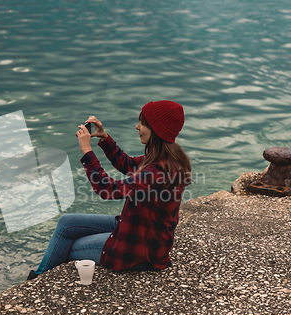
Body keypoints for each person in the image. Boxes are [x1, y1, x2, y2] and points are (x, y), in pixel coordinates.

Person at [27, 100, 191, 280]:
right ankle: (39, 275)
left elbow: (106, 189)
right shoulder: (164, 159)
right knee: (67, 223)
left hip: (139, 250)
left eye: (143, 123)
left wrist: (87, 151)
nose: (137, 127)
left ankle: (36, 281)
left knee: (68, 246)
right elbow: (128, 164)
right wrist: (104, 138)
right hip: (135, 230)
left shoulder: (158, 171)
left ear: (157, 129)